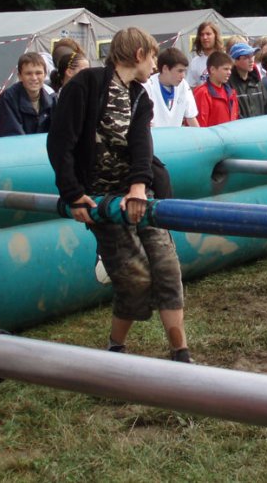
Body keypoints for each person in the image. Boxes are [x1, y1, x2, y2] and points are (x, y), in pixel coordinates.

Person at [47, 27, 191, 362]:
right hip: (99, 199)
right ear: (139, 54)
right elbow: (60, 142)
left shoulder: (140, 95)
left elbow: (142, 146)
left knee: (167, 268)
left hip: (136, 194)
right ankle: (115, 348)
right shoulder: (86, 84)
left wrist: (139, 186)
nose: (154, 65)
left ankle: (180, 351)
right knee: (135, 277)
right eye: (152, 57)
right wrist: (72, 193)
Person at [0, 52, 56, 137]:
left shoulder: (52, 98)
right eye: (28, 73)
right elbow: (12, 133)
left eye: (38, 73)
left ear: (45, 75)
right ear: (20, 76)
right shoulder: (8, 98)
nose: (34, 78)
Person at [145, 47, 199, 128]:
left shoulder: (183, 85)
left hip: (175, 136)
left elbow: (191, 117)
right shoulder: (147, 87)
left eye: (184, 71)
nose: (183, 76)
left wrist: (200, 135)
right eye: (180, 71)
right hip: (154, 135)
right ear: (165, 69)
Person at [228, 42, 267, 119]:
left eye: (252, 56)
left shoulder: (257, 82)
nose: (251, 60)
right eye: (246, 57)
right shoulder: (229, 84)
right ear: (235, 61)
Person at [194, 51, 239, 126]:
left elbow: (236, 118)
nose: (229, 72)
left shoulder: (231, 92)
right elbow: (200, 126)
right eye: (225, 69)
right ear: (212, 70)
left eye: (230, 69)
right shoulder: (203, 93)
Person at [187, 21, 224, 87]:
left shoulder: (224, 59)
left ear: (215, 36)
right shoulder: (195, 62)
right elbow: (191, 87)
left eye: (208, 34)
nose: (205, 37)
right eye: (202, 35)